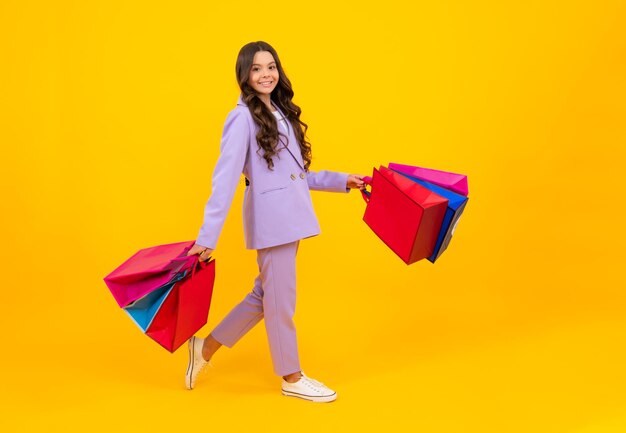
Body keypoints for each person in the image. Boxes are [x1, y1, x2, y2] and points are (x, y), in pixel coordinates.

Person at [185, 41, 365, 403]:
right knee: (281, 301)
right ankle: (291, 376)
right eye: (256, 68)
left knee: (265, 295)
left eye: (271, 67)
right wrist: (208, 236)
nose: (265, 74)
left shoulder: (278, 112)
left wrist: (341, 180)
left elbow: (296, 174)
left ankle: (204, 349)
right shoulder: (241, 118)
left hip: (290, 218)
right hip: (273, 221)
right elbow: (224, 178)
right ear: (244, 76)